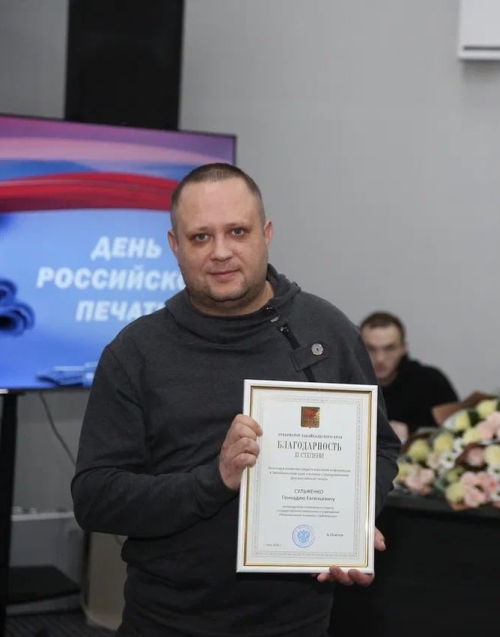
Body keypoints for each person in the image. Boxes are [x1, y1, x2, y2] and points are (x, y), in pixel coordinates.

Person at [71, 163, 400, 637]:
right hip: (166, 621)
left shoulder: (327, 331)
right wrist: (215, 480)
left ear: (266, 234)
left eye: (238, 232)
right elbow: (95, 498)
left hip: (298, 624)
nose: (221, 252)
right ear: (175, 245)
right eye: (201, 237)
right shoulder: (135, 352)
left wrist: (353, 522)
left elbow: (380, 449)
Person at [360, 311, 458, 442]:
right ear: (359, 348)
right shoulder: (345, 381)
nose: (380, 359)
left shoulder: (431, 382)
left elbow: (458, 431)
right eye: (370, 349)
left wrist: (412, 431)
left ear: (403, 348)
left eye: (390, 348)